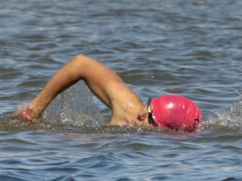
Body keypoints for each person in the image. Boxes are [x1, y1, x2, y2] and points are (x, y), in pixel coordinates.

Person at [17, 54, 202, 132]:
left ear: (163, 132)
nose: (142, 114)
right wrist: (34, 110)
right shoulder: (129, 106)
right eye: (148, 106)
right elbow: (81, 63)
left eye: (151, 118)